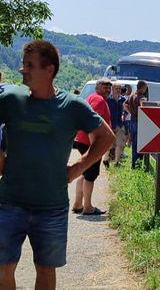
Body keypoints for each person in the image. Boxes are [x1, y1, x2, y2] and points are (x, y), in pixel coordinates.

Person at [0, 40, 114, 290]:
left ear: (49, 69)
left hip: (50, 206)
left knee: (45, 268)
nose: (23, 70)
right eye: (23, 64)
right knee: (3, 267)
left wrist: (76, 169)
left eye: (29, 65)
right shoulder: (10, 99)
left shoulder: (71, 106)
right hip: (9, 202)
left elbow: (106, 138)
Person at [72, 78, 112, 216]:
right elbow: (93, 123)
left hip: (83, 140)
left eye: (109, 86)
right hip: (90, 141)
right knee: (91, 175)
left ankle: (78, 204)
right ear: (97, 87)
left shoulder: (93, 97)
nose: (108, 88)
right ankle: (87, 207)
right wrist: (96, 146)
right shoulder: (99, 100)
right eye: (105, 85)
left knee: (85, 173)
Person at [124, 80, 150, 169]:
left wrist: (131, 112)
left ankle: (133, 164)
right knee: (140, 144)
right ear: (142, 88)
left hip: (133, 121)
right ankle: (138, 165)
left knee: (134, 143)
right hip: (140, 122)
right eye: (145, 88)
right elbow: (144, 107)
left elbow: (125, 104)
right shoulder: (142, 97)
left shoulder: (132, 95)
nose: (146, 89)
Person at [105, 83, 126, 166]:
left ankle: (117, 162)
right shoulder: (108, 100)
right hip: (110, 125)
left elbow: (125, 109)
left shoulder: (122, 100)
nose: (118, 90)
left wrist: (124, 116)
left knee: (120, 144)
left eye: (119, 89)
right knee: (109, 144)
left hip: (120, 124)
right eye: (116, 88)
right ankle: (106, 159)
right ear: (112, 89)